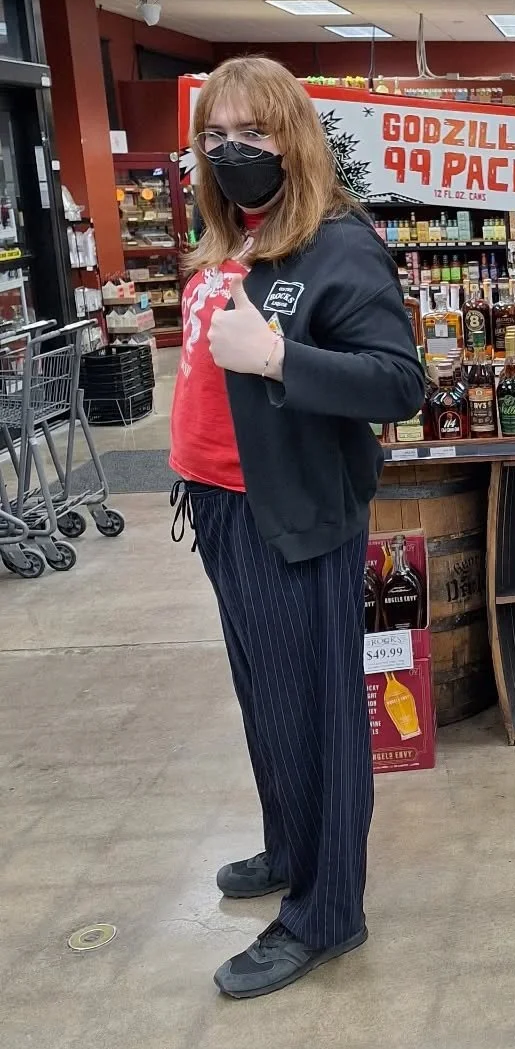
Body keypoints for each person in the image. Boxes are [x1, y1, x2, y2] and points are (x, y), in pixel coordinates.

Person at [169, 55, 425, 997]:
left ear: (294, 138)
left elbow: (398, 381)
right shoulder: (227, 234)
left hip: (294, 517)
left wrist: (278, 356)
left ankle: (327, 914)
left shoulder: (337, 243)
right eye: (214, 136)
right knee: (265, 701)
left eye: (252, 133)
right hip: (224, 510)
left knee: (317, 718)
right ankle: (289, 849)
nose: (231, 151)